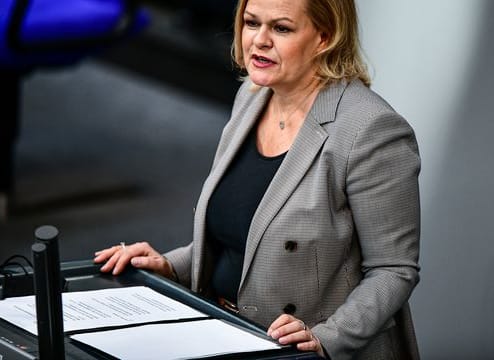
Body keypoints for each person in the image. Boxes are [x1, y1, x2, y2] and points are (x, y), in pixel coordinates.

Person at [94, 0, 421, 358]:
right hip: (225, 332)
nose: (259, 40)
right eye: (252, 23)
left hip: (302, 352)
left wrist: (328, 337)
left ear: (325, 37)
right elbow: (245, 239)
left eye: (281, 28)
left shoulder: (371, 130)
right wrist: (172, 265)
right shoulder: (252, 95)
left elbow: (393, 269)